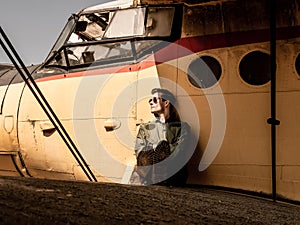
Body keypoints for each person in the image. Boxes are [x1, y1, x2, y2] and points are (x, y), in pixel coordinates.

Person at [130, 88, 190, 186]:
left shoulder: (182, 127)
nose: (150, 102)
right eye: (150, 100)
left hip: (172, 175)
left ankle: (159, 170)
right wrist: (155, 153)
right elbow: (139, 151)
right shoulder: (145, 128)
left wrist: (163, 155)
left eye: (154, 100)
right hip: (147, 176)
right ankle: (155, 172)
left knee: (163, 150)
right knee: (146, 152)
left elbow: (180, 150)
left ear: (166, 103)